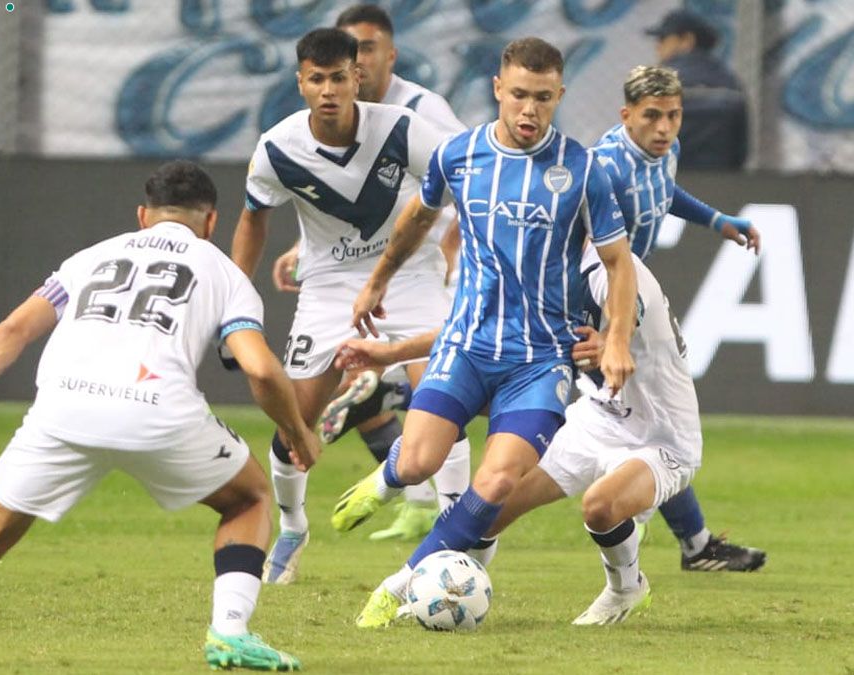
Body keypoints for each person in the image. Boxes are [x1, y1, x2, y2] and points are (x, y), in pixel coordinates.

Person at [0, 161, 317, 671]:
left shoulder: (89, 258)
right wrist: (296, 431)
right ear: (211, 222)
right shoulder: (225, 273)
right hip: (157, 412)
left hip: (63, 409)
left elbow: (12, 331)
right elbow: (261, 370)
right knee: (249, 499)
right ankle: (230, 631)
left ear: (142, 216)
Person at [330, 37, 639, 629]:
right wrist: (377, 282)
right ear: (498, 89)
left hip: (539, 361)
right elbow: (418, 217)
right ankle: (392, 474)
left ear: (560, 96)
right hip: (465, 347)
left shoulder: (583, 170)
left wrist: (617, 337)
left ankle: (398, 586)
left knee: (495, 482)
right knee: (419, 463)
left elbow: (618, 263)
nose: (529, 110)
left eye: (543, 98)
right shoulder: (458, 155)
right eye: (519, 94)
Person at [230, 28, 470, 583]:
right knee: (295, 419)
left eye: (339, 78)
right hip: (330, 285)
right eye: (317, 79)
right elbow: (253, 219)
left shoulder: (403, 129)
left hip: (409, 276)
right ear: (300, 83)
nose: (329, 90)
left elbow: (467, 187)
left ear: (357, 78)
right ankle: (292, 527)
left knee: (447, 400)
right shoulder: (277, 149)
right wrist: (235, 298)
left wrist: (467, 257)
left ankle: (456, 539)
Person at [592, 64, 765, 572]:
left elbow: (664, 192)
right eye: (652, 116)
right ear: (626, 114)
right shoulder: (604, 169)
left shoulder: (665, 151)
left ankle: (694, 543)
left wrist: (716, 220)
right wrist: (606, 331)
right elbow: (581, 251)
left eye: (673, 115)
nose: (665, 127)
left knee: (653, 426)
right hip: (594, 306)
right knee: (633, 426)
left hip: (626, 303)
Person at [645, 9, 747, 170]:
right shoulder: (730, 83)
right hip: (720, 178)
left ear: (687, 40)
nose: (658, 46)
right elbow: (741, 149)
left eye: (663, 39)